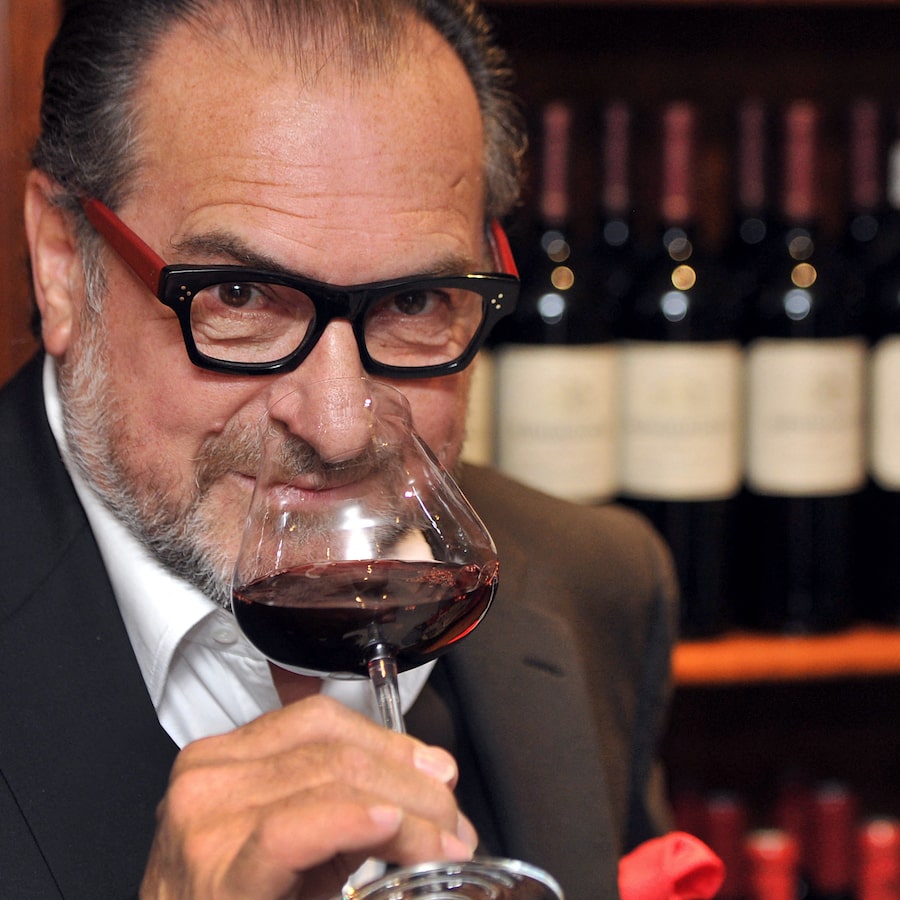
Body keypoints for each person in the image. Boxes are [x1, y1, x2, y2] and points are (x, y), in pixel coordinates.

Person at [0, 0, 679, 897]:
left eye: (413, 303)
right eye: (240, 295)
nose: (339, 424)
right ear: (59, 260)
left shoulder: (597, 582)